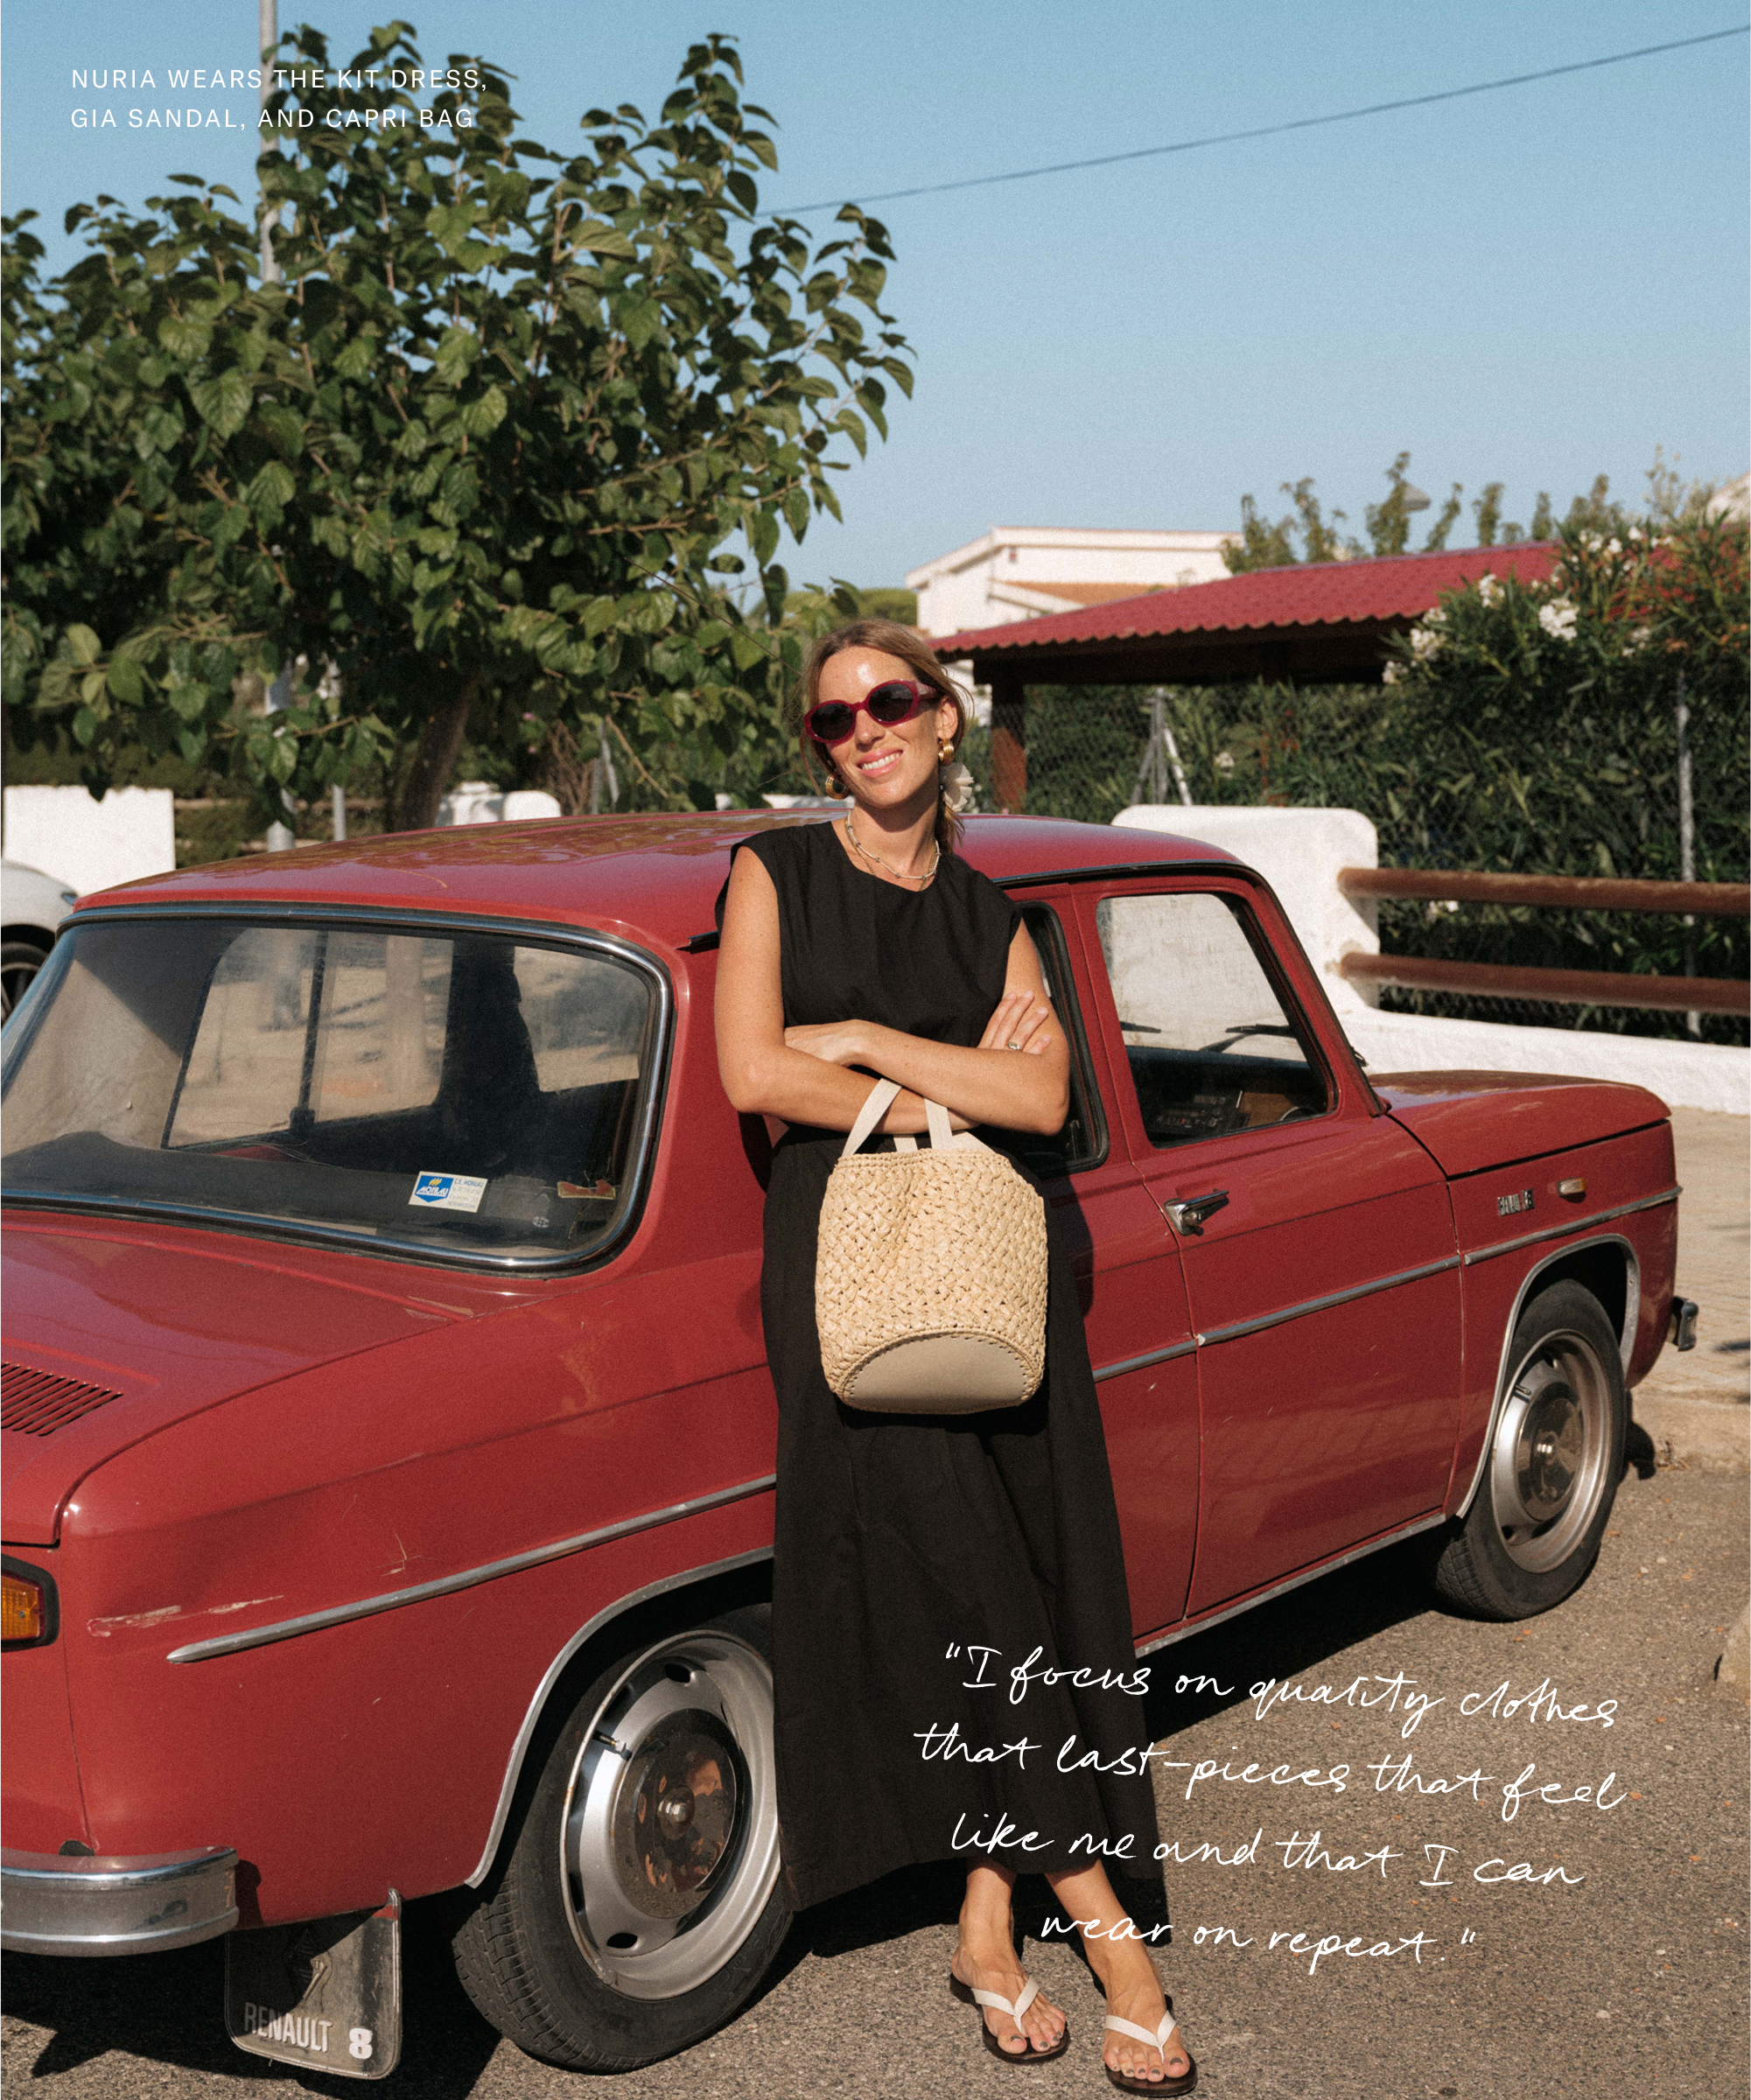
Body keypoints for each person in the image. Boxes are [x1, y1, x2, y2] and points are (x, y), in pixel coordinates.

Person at [713, 620, 1196, 2094]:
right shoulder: (771, 874)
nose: (864, 730)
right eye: (834, 720)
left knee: (1034, 1587)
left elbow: (1045, 1096)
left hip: (1001, 1272)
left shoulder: (997, 913)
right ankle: (1109, 1932)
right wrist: (941, 1089)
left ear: (943, 712)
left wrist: (863, 1034)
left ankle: (988, 1924)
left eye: (890, 702)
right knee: (965, 1586)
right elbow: (754, 1070)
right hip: (859, 1285)